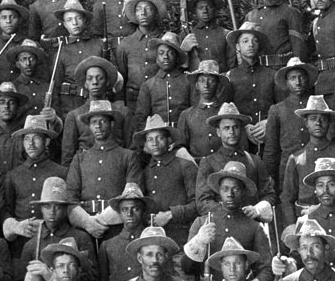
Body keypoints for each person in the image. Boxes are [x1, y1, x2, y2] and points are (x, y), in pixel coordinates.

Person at [182, 161, 275, 281]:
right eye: (225, 189)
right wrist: (199, 241)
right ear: (219, 191)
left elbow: (266, 269)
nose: (230, 194)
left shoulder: (254, 227)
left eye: (235, 189)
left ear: (244, 191)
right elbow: (187, 267)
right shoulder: (202, 223)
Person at [65, 100, 142, 240]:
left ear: (112, 124)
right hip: (85, 227)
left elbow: (132, 195)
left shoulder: (127, 156)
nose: (98, 126)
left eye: (102, 121)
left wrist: (102, 221)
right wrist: (87, 223)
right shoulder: (80, 158)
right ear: (89, 126)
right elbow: (70, 197)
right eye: (94, 122)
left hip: (116, 227)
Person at [280, 95, 335, 224]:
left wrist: (320, 208)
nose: (318, 123)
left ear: (329, 123)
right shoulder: (296, 159)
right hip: (304, 219)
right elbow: (287, 198)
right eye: (313, 119)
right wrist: (291, 226)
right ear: (306, 123)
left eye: (323, 119)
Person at [16, 176, 100, 281]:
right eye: (47, 206)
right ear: (41, 208)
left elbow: (93, 280)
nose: (52, 212)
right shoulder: (31, 245)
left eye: (58, 206)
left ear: (66, 209)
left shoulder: (80, 238)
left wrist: (52, 276)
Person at [194, 102, 277, 218]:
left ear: (242, 130)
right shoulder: (209, 162)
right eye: (226, 128)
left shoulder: (254, 161)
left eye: (235, 127)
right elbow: (203, 202)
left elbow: (269, 195)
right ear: (218, 132)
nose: (231, 132)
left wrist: (256, 209)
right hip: (221, 224)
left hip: (250, 224)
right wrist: (228, 212)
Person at [2, 114, 66, 252]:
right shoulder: (13, 175)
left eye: (36, 138)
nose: (30, 144)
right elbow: (7, 210)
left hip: (52, 241)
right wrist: (16, 226)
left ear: (47, 141)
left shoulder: (61, 172)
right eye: (26, 139)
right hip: (21, 243)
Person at [136, 114, 198, 248]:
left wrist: (170, 214)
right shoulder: (145, 171)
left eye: (160, 138)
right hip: (153, 240)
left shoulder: (185, 166)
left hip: (180, 237)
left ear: (169, 139)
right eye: (150, 139)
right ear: (145, 144)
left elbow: (197, 204)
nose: (155, 143)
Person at [49, 0, 111, 117]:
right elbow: (55, 86)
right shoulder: (61, 50)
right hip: (69, 106)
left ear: (85, 21)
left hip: (97, 104)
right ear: (65, 24)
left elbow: (111, 78)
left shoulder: (98, 45)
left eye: (78, 18)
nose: (75, 23)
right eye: (70, 19)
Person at [264, 57, 317, 194]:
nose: (298, 82)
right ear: (287, 83)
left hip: (316, 168)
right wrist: (271, 180)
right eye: (293, 78)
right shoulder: (277, 110)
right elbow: (271, 149)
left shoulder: (317, 105)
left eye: (301, 77)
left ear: (307, 79)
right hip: (288, 171)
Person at [61, 55, 124, 164]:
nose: (95, 82)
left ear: (108, 82)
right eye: (90, 79)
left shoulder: (122, 112)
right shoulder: (74, 116)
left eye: (100, 78)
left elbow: (133, 151)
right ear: (85, 83)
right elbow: (67, 159)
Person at [224, 22, 277, 147]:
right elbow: (226, 112)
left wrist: (268, 123)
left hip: (270, 137)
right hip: (241, 139)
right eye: (245, 41)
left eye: (255, 41)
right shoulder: (229, 77)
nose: (250, 45)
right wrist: (243, 127)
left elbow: (281, 107)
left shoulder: (272, 75)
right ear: (238, 46)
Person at [244, 0, 306, 65]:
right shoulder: (251, 16)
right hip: (259, 73)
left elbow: (298, 49)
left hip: (282, 70)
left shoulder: (290, 13)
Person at [114, 0, 167, 111]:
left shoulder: (165, 40)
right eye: (139, 9)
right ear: (135, 14)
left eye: (148, 9)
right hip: (134, 101)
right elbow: (121, 77)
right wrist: (120, 102)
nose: (143, 13)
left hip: (160, 99)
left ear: (156, 14)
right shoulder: (126, 44)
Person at [176, 60, 235, 159]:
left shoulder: (226, 113)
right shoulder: (186, 115)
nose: (206, 85)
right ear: (196, 85)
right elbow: (181, 148)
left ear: (218, 85)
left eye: (211, 80)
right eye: (202, 80)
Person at [134, 32, 192, 132]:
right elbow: (140, 119)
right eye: (161, 53)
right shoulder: (148, 85)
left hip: (182, 134)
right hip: (157, 137)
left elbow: (193, 115)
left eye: (170, 53)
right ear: (156, 59)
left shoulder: (188, 82)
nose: (165, 56)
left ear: (177, 58)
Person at [0, 82, 31, 177]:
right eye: (2, 102)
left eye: (11, 102)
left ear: (17, 108)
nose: (6, 106)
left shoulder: (25, 137)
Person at [180, 0, 233, 72]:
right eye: (200, 8)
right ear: (195, 11)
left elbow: (232, 66)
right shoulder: (186, 35)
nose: (205, 10)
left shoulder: (226, 35)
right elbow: (181, 67)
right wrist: (184, 50)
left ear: (215, 9)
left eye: (208, 7)